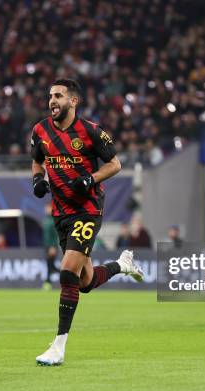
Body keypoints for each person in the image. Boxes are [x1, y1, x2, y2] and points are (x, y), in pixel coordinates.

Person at [30, 78, 143, 366]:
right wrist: (37, 181)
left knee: (67, 272)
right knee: (85, 282)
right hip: (61, 213)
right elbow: (37, 160)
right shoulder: (40, 130)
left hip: (88, 209)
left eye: (58, 95)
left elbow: (115, 164)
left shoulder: (91, 132)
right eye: (50, 96)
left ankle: (58, 346)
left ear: (73, 101)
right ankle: (123, 265)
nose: (52, 100)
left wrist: (90, 178)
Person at [42, 202, 60, 290]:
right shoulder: (46, 220)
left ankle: (48, 283)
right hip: (46, 246)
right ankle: (48, 283)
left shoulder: (54, 220)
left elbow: (55, 235)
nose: (46, 210)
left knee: (51, 265)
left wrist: (53, 247)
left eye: (48, 208)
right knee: (50, 266)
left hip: (52, 247)